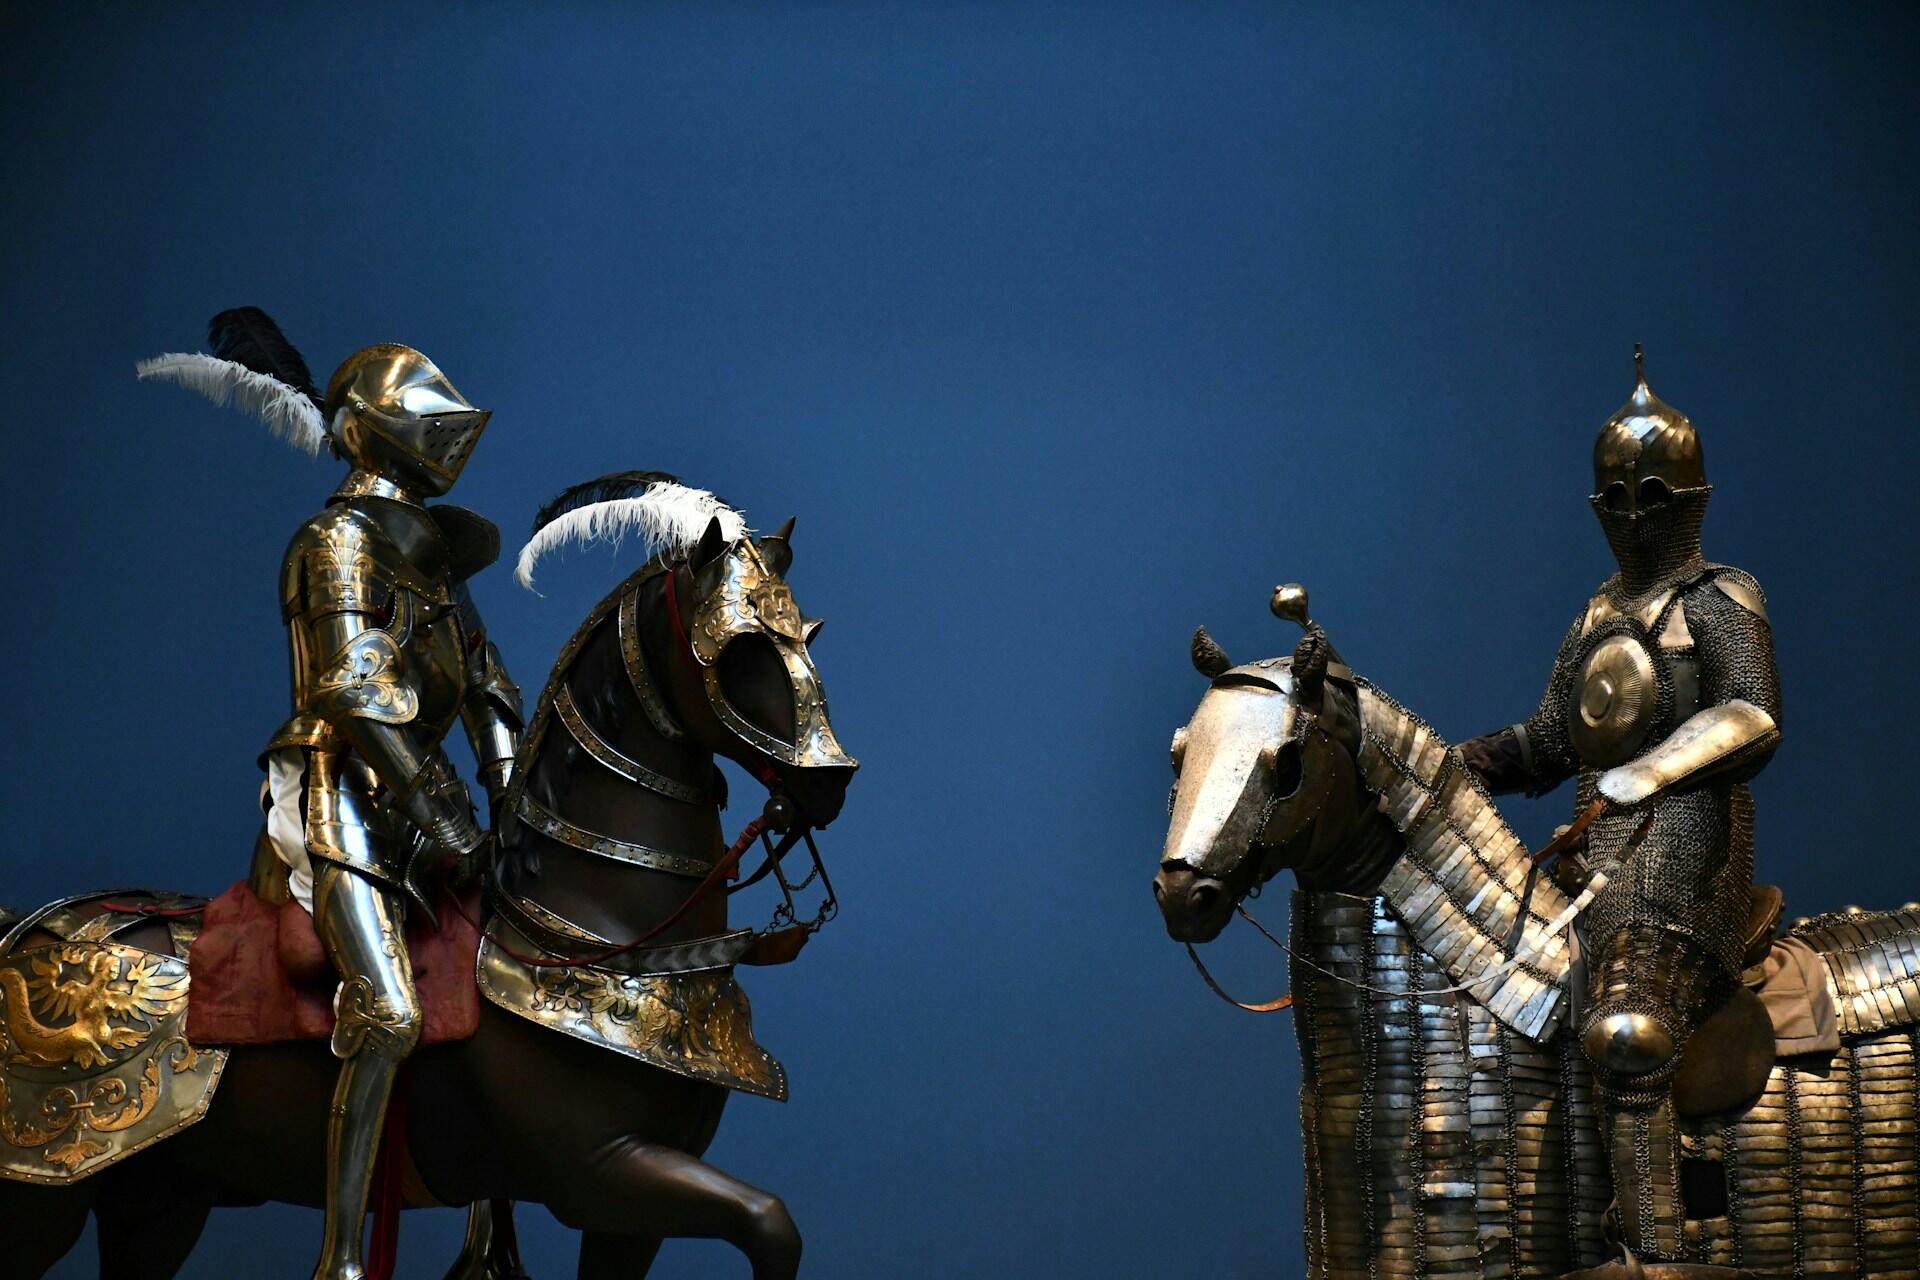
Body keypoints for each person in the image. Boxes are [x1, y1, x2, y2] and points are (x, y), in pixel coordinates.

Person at [1458, 347, 1781, 1260]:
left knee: (1627, 1031)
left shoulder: (1722, 596)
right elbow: (1555, 737)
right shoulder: (1597, 616)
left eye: (1654, 496)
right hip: (1599, 863)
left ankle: (1658, 1254)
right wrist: (1465, 763)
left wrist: (1652, 773)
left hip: (1686, 861)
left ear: (1691, 500)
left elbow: (1752, 712)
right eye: (1620, 499)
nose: (1636, 516)